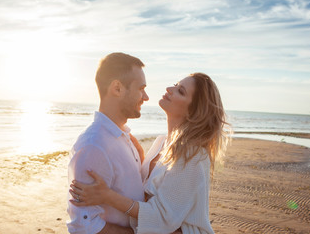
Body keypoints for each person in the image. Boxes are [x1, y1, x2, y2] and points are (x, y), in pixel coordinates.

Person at [70, 73, 230, 234]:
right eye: (175, 84)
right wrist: (140, 161)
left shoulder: (194, 156)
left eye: (180, 91)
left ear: (193, 112)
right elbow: (151, 191)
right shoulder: (161, 143)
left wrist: (107, 196)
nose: (169, 89)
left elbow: (161, 218)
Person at [66, 52, 149, 234]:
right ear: (117, 88)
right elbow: (83, 225)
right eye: (141, 88)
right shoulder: (93, 146)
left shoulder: (124, 137)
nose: (146, 96)